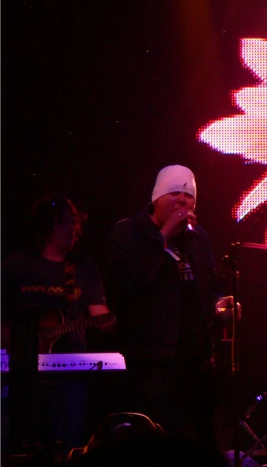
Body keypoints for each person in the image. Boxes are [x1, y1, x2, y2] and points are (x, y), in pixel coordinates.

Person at [105, 164, 237, 452]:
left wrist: (220, 303)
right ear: (156, 198)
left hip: (196, 367)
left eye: (188, 196)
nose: (182, 200)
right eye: (174, 193)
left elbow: (207, 286)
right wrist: (163, 235)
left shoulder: (198, 239)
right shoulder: (129, 233)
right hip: (152, 367)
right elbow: (129, 285)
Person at [1, 194, 114, 454]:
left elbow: (101, 315)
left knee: (68, 446)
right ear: (48, 226)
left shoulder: (82, 268)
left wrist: (111, 322)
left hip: (70, 376)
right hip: (19, 373)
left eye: (75, 222)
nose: (73, 229)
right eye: (66, 222)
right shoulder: (15, 266)